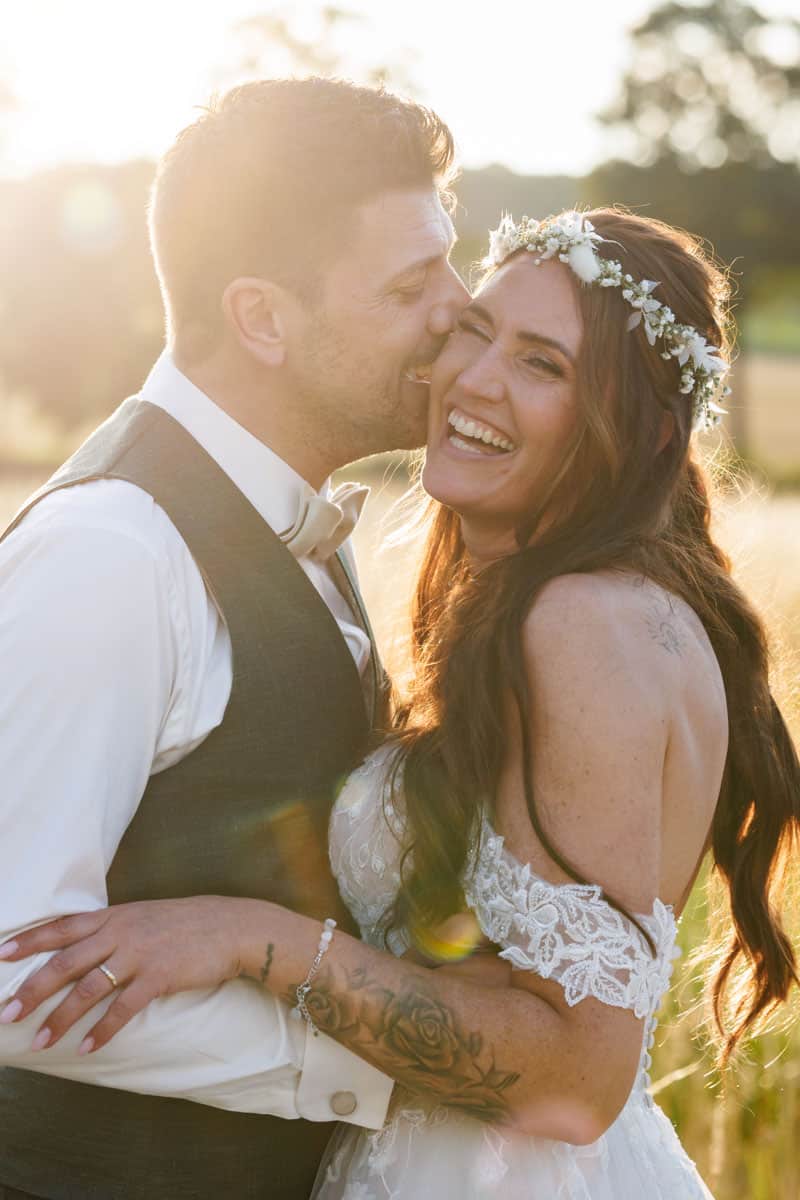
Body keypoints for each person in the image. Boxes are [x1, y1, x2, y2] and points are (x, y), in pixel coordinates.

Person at [4, 208, 798, 1199]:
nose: (474, 377)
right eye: (478, 328)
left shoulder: (582, 624)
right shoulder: (535, 602)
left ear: (630, 430)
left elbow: (580, 1075)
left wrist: (258, 939)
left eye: (543, 366)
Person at [0, 77, 468, 1199]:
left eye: (449, 262)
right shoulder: (114, 555)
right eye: (412, 285)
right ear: (261, 315)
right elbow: (9, 973)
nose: (460, 308)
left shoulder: (288, 511)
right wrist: (360, 1061)